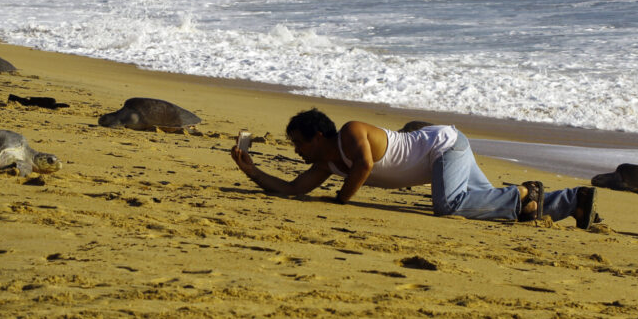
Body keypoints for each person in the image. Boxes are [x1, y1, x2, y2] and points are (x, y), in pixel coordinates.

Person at [230, 108, 598, 228]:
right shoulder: (328, 162)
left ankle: (522, 192)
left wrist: (341, 200)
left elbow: (365, 165)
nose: (296, 150)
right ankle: (575, 201)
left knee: (448, 207)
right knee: (488, 207)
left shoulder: (351, 133)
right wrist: (251, 171)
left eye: (299, 142)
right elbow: (293, 189)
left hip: (444, 147)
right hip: (442, 159)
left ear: (318, 135)